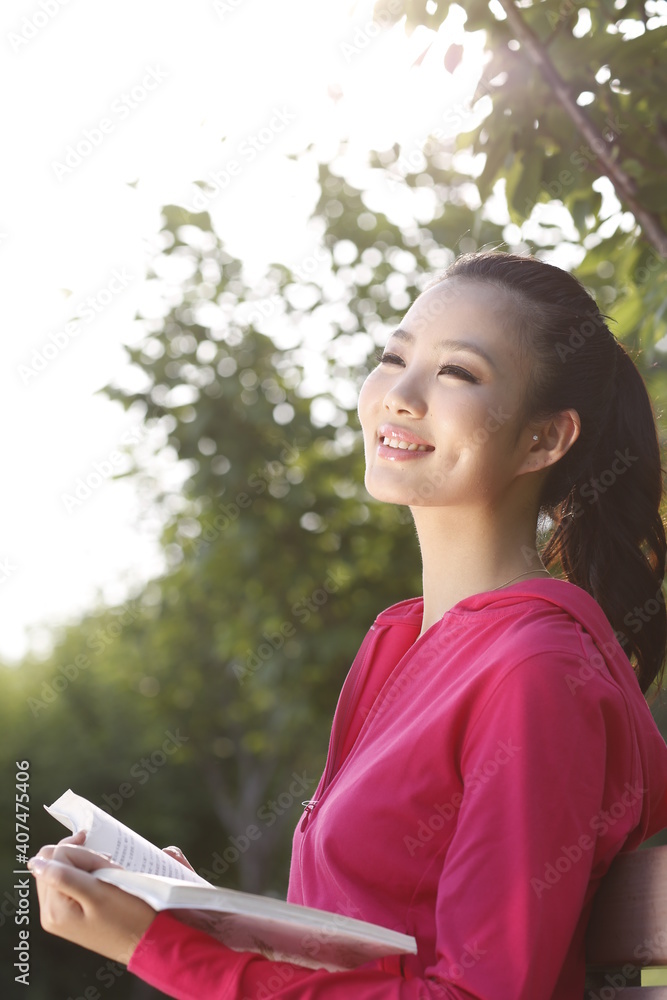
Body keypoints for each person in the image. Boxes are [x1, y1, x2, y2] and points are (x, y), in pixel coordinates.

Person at [30, 250, 667, 998]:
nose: (398, 395)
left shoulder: (535, 668)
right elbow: (372, 941)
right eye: (392, 358)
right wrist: (195, 914)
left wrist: (161, 951)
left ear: (543, 439)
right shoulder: (403, 642)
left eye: (456, 373)